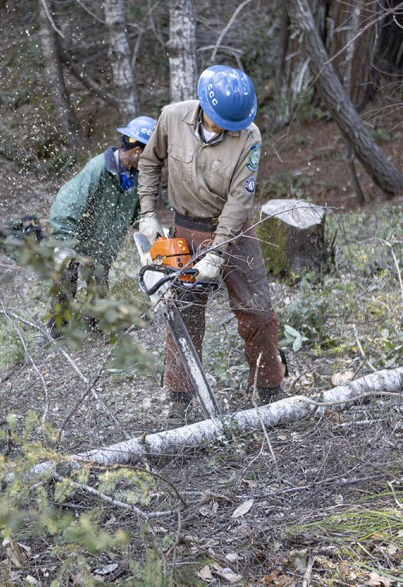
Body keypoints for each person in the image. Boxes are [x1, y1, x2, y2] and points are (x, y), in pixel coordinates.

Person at [137, 65, 286, 415]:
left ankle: (268, 389)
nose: (226, 129)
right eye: (221, 121)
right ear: (205, 106)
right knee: (183, 312)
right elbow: (149, 163)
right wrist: (147, 213)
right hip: (185, 226)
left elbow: (239, 200)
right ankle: (180, 397)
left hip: (233, 228)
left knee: (258, 310)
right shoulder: (172, 118)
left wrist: (217, 254)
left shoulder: (249, 136)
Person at [47, 115, 157, 337]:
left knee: (98, 286)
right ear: (137, 151)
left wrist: (146, 226)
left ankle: (95, 325)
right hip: (76, 237)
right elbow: (66, 202)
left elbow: (134, 212)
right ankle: (58, 331)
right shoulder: (98, 168)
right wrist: (63, 240)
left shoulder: (135, 178)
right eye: (148, 154)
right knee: (66, 283)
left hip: (102, 245)